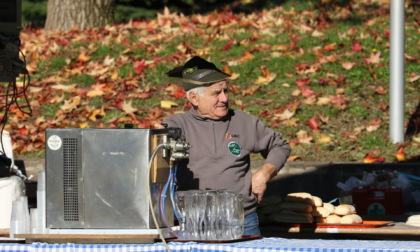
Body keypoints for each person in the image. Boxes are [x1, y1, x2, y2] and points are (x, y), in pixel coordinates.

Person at [157, 56, 291, 236]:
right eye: (216, 93)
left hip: (242, 221)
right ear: (194, 98)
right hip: (191, 221)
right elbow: (154, 154)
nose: (224, 98)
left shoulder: (243, 121)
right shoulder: (177, 125)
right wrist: (156, 137)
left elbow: (280, 145)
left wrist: (263, 174)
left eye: (226, 91)